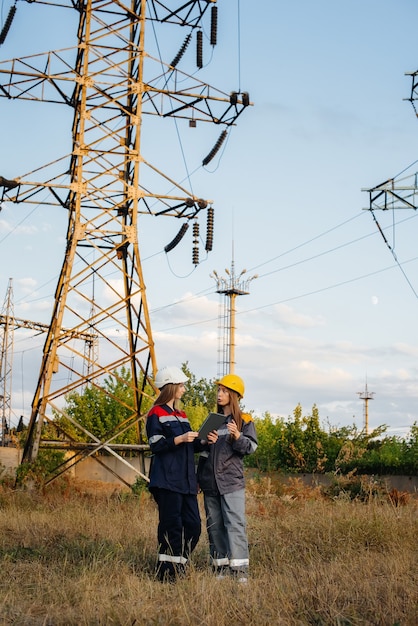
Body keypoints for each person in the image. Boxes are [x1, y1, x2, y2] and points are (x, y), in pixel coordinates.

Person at [146, 365, 208, 582]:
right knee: (171, 527)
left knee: (193, 527)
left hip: (186, 481)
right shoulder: (156, 413)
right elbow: (155, 445)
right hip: (166, 480)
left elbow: (189, 447)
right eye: (181, 385)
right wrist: (179, 439)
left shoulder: (182, 415)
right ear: (170, 387)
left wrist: (203, 441)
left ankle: (179, 564)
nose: (183, 389)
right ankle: (165, 574)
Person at [197, 373, 258, 583]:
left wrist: (237, 437)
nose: (219, 394)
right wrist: (205, 442)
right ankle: (220, 570)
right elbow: (201, 451)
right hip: (210, 483)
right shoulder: (212, 421)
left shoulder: (245, 421)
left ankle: (240, 573)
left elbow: (250, 448)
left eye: (224, 391)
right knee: (214, 527)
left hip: (231, 483)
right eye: (219, 390)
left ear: (234, 395)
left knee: (235, 525)